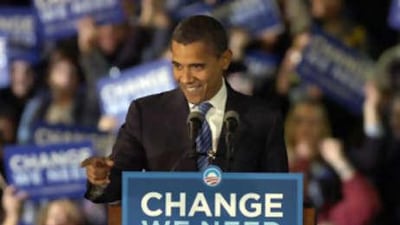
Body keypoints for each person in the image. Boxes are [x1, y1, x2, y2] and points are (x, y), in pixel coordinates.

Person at [81, 15, 288, 203]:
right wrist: (101, 178)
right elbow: (117, 182)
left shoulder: (263, 119)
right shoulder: (146, 114)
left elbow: (279, 199)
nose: (186, 78)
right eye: (178, 66)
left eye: (197, 66)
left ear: (224, 60)